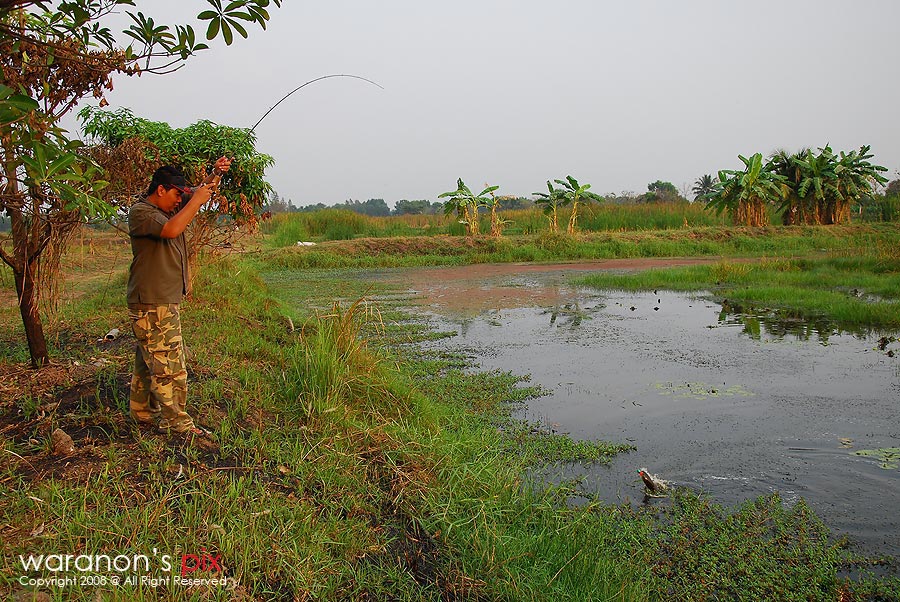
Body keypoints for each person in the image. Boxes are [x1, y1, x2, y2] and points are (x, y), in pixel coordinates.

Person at [127, 157, 232, 435]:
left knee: (148, 361)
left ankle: (142, 412)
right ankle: (177, 423)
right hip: (153, 302)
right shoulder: (142, 212)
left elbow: (193, 198)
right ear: (160, 190)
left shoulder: (164, 209)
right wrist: (196, 199)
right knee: (169, 366)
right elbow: (173, 229)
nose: (179, 201)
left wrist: (214, 176)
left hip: (159, 300)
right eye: (176, 194)